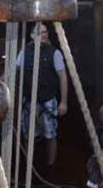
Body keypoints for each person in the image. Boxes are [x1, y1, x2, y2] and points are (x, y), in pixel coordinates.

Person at [15, 22, 68, 167]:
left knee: (50, 135)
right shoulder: (24, 52)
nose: (43, 35)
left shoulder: (54, 53)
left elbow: (62, 77)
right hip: (29, 101)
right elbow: (14, 70)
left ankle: (51, 166)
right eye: (39, 32)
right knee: (28, 135)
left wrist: (63, 102)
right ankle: (29, 165)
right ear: (32, 35)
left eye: (45, 32)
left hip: (47, 101)